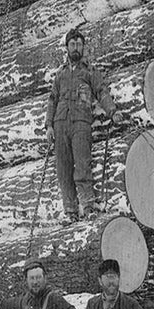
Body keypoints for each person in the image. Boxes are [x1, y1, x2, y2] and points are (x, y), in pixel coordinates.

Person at [45, 26, 118, 221]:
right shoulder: (60, 75)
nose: (76, 47)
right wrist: (49, 125)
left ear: (83, 48)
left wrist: (112, 111)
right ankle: (70, 211)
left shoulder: (90, 71)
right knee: (63, 169)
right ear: (67, 48)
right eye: (72, 44)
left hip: (81, 124)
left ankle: (88, 206)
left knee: (83, 165)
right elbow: (52, 99)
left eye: (79, 44)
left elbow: (101, 91)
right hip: (60, 124)